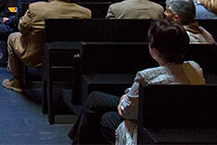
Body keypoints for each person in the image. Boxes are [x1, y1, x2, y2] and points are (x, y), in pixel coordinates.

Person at [68, 21, 205, 145]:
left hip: (151, 129)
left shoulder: (147, 77)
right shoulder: (195, 68)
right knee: (95, 98)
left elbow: (128, 112)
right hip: (181, 125)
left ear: (154, 50)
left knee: (104, 116)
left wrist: (123, 100)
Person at [2, 0, 91, 92]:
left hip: (37, 56)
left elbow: (22, 28)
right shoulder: (85, 13)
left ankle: (17, 81)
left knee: (12, 37)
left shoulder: (36, 8)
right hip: (71, 58)